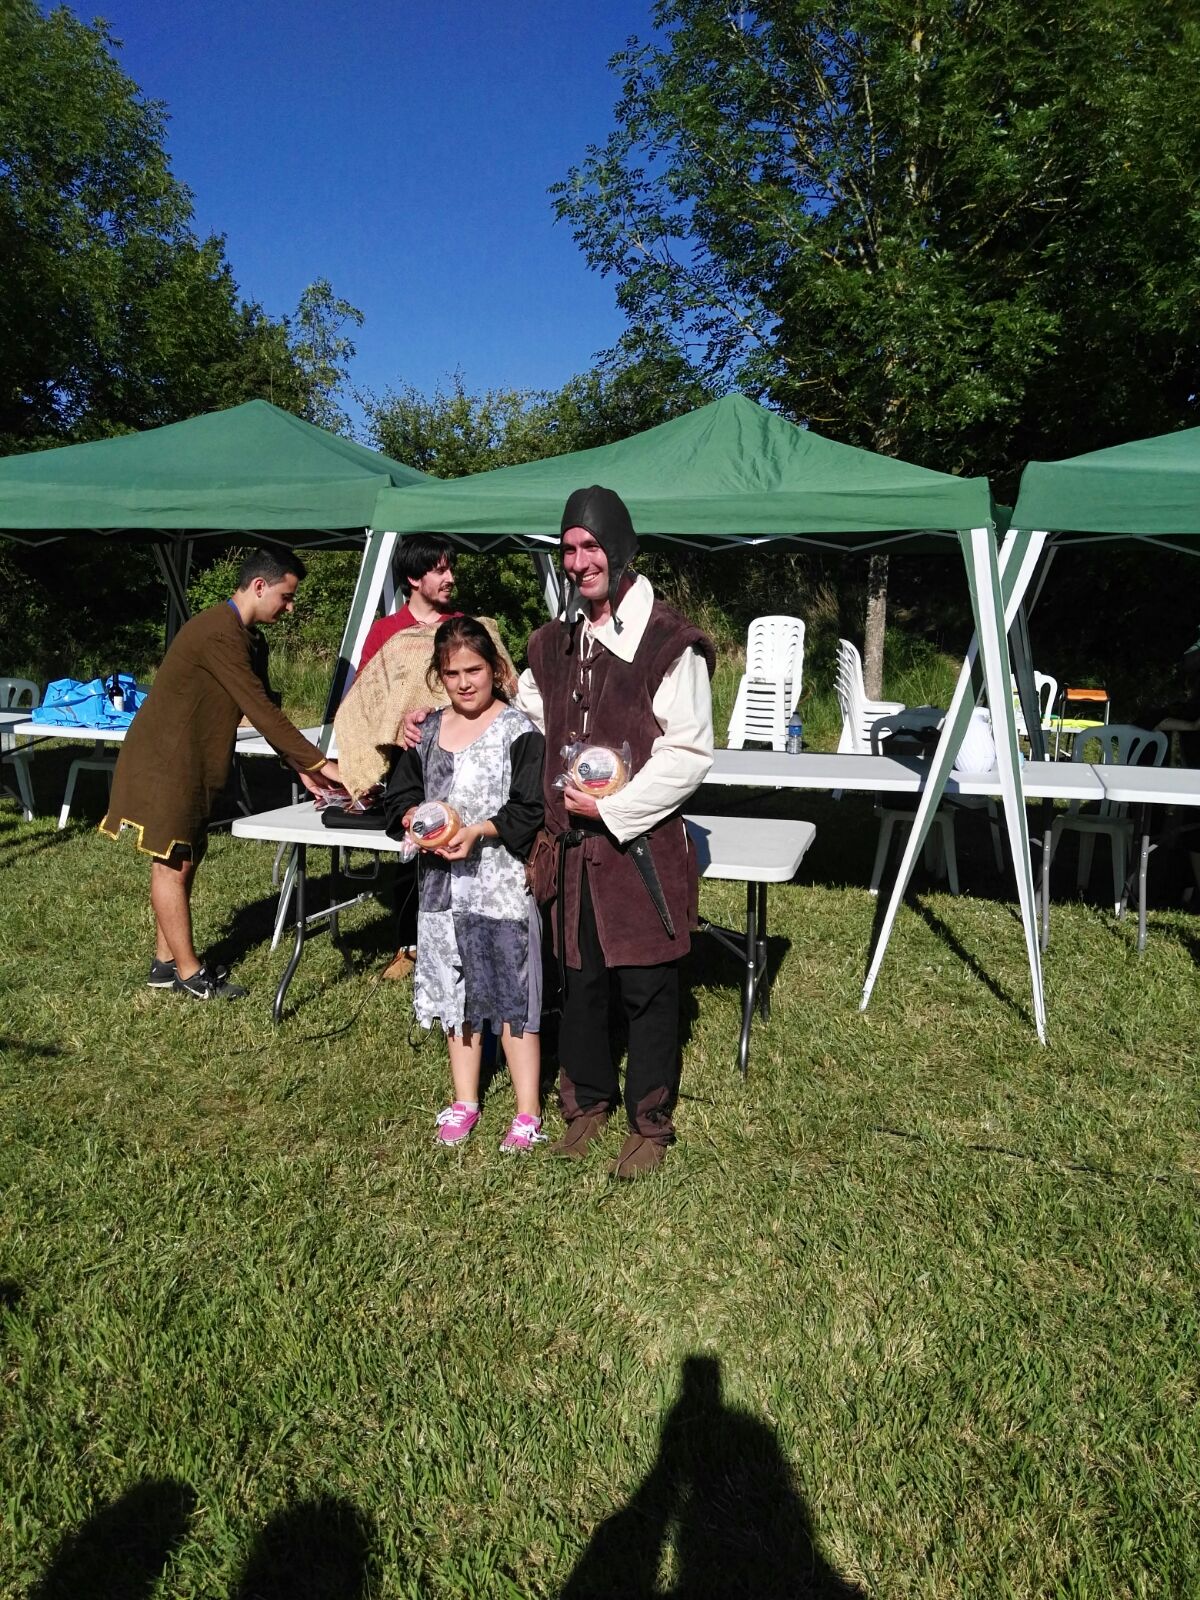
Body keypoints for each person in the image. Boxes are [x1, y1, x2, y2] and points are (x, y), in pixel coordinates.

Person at [405, 486, 715, 1178]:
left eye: (591, 546)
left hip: (639, 850)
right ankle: (587, 1103)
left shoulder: (669, 642)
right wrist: (432, 717)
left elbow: (690, 752)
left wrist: (615, 808)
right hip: (571, 853)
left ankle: (649, 1122)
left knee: (647, 988)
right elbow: (522, 713)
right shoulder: (552, 642)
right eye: (569, 549)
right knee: (582, 983)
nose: (579, 562)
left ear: (621, 547)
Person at [100, 547, 342, 1000]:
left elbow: (264, 710)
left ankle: (164, 964)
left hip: (195, 761)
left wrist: (301, 767)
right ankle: (191, 974)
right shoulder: (216, 631)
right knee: (172, 864)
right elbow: (260, 709)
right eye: (287, 597)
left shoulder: (251, 639)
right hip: (165, 761)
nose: (290, 608)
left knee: (185, 857)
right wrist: (317, 762)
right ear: (259, 586)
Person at [384, 615, 546, 1152]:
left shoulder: (518, 731)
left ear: (495, 669)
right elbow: (399, 794)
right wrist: (412, 818)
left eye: (473, 670)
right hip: (440, 893)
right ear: (439, 675)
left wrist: (478, 831)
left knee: (511, 995)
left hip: (501, 890)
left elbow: (530, 807)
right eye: (452, 674)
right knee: (455, 997)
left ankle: (527, 1110)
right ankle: (465, 1100)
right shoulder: (427, 732)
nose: (464, 683)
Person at [335, 536, 515, 980]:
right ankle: (408, 945)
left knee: (466, 844)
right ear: (414, 578)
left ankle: (471, 934)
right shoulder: (387, 632)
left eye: (451, 568)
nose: (450, 577)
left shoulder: (466, 628)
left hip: (466, 755)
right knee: (414, 849)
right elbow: (368, 698)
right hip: (410, 761)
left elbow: (503, 684)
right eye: (439, 570)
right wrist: (398, 723)